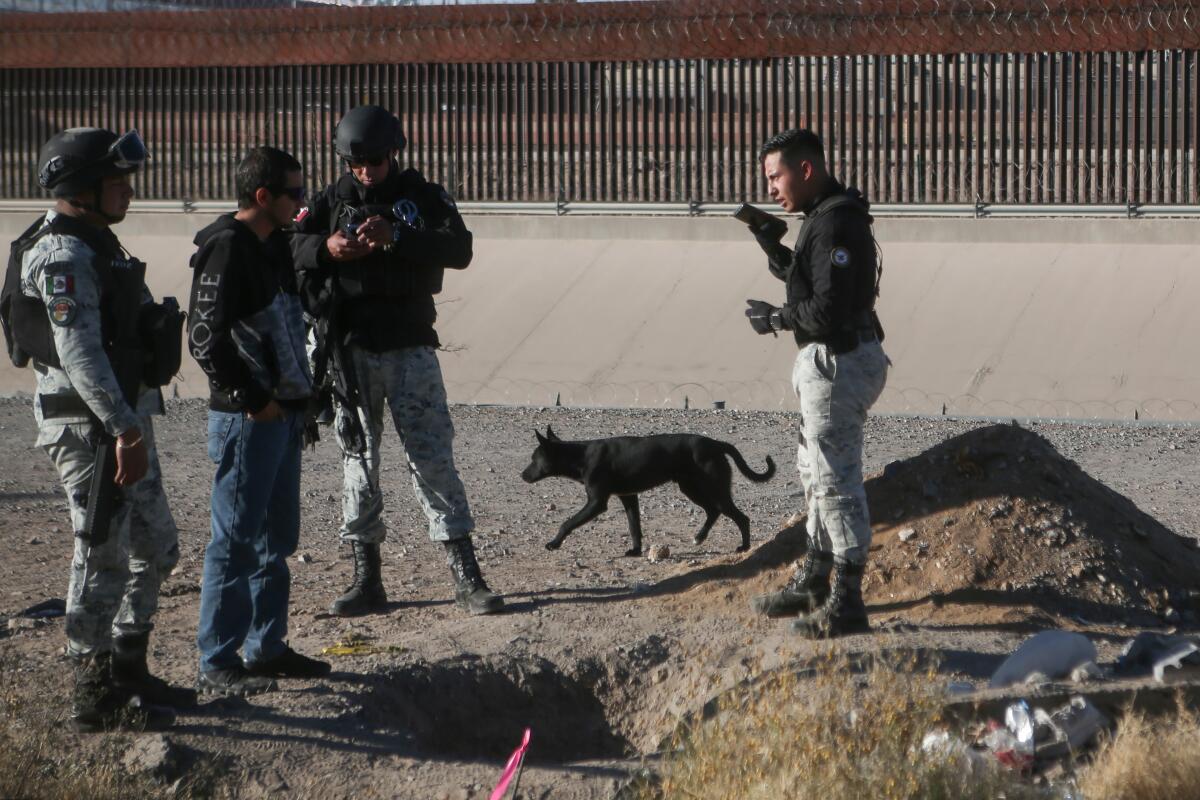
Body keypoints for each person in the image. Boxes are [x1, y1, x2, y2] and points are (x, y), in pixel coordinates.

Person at [0, 127, 189, 731]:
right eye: (118, 182)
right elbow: (78, 351)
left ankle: (130, 667)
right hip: (90, 425)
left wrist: (131, 423)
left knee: (156, 547)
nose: (129, 191)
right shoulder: (61, 254)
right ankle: (91, 689)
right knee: (100, 550)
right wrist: (123, 429)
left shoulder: (95, 242)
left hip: (123, 417)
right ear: (83, 187)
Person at [291, 105, 502, 618]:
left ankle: (465, 576)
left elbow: (460, 248)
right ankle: (368, 579)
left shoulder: (422, 197)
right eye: (356, 162)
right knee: (359, 466)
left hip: (410, 348)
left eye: (375, 161)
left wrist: (399, 237)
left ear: (395, 152)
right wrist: (327, 249)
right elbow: (287, 246)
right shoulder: (329, 201)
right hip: (351, 352)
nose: (366, 172)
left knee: (432, 458)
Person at [188, 146, 330, 696]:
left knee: (277, 539)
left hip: (283, 417)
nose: (303, 200)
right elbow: (204, 338)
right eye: (294, 192)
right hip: (249, 420)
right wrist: (252, 399)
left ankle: (265, 647)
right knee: (236, 540)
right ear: (263, 196)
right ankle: (218, 659)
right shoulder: (227, 247)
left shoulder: (274, 246)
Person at [744, 129, 889, 638]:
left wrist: (778, 319)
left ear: (806, 170)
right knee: (814, 470)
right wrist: (775, 251)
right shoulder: (824, 219)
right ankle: (816, 575)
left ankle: (847, 603)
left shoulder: (836, 224)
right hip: (836, 358)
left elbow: (827, 309)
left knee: (835, 479)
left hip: (838, 361)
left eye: (775, 176)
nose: (770, 189)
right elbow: (819, 284)